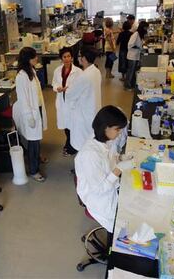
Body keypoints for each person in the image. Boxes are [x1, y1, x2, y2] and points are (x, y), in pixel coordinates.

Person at [74, 106, 128, 238]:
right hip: (99, 199)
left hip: (111, 189)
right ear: (106, 127)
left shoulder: (105, 140)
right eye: (117, 129)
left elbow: (110, 158)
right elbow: (99, 190)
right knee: (123, 226)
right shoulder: (90, 155)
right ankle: (112, 251)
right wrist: (119, 169)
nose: (120, 133)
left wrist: (121, 158)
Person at [12, 47, 48, 182]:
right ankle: (34, 170)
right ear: (28, 59)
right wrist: (29, 117)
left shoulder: (31, 70)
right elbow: (23, 99)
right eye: (34, 57)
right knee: (33, 141)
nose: (37, 59)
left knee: (37, 139)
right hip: (30, 113)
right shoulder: (21, 76)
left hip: (37, 108)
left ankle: (37, 157)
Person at [65, 46, 101, 152]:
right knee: (90, 140)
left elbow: (70, 94)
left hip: (83, 114)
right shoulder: (96, 71)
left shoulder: (84, 76)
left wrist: (68, 88)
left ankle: (81, 167)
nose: (79, 58)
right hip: (93, 111)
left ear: (84, 58)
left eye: (80, 56)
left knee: (82, 143)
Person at [52, 47, 82, 156]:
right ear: (61, 58)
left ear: (72, 58)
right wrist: (57, 88)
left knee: (73, 126)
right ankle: (69, 144)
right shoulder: (57, 70)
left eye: (69, 56)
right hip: (62, 101)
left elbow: (80, 87)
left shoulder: (78, 71)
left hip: (73, 103)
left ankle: (71, 147)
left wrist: (69, 89)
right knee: (65, 125)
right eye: (64, 57)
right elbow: (54, 83)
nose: (67, 59)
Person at [125, 21, 149, 90]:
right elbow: (130, 45)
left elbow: (139, 43)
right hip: (132, 56)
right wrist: (139, 47)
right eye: (146, 27)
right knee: (130, 72)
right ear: (143, 27)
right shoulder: (136, 34)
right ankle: (127, 86)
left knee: (133, 72)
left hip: (135, 56)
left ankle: (132, 85)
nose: (146, 29)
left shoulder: (139, 35)